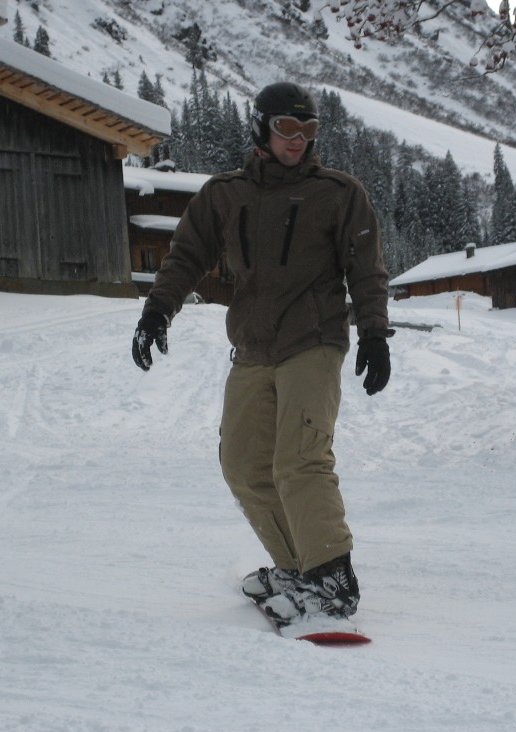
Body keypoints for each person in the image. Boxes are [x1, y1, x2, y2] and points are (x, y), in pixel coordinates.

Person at [131, 82, 393, 623]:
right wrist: (157, 310)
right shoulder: (225, 194)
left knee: (300, 459)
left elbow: (366, 270)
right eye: (286, 128)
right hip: (252, 346)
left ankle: (333, 581)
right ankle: (298, 567)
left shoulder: (338, 193)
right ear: (261, 128)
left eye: (308, 130)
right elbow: (187, 255)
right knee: (243, 464)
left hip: (312, 341)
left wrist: (373, 332)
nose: (298, 139)